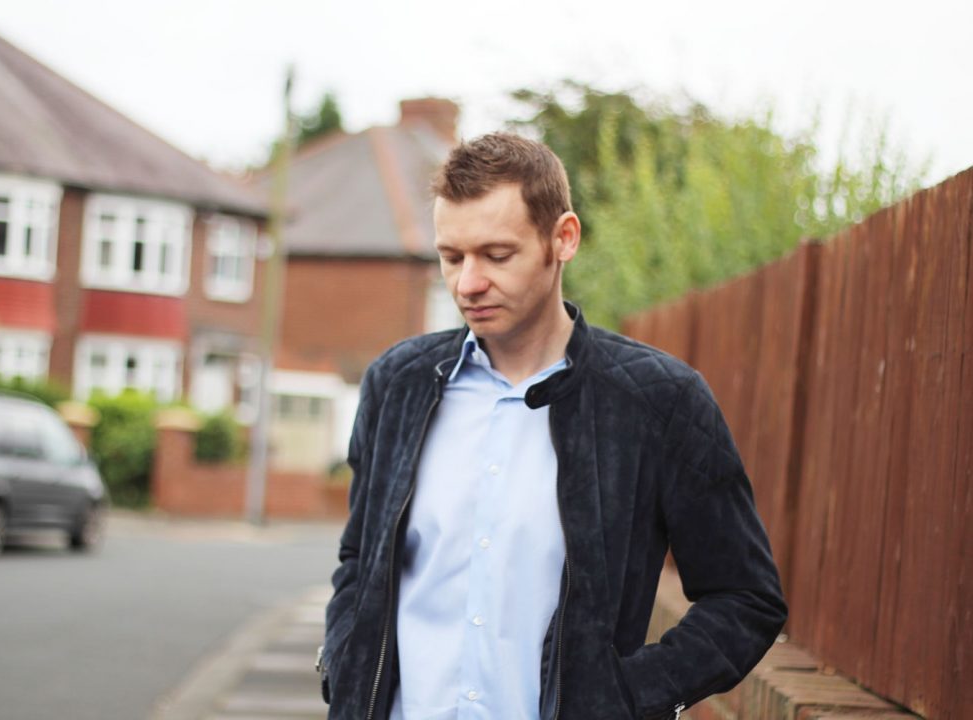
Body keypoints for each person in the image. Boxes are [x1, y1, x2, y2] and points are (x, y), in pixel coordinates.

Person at [318, 133, 787, 720]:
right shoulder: (398, 383)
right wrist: (344, 663)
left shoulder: (658, 401)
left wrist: (625, 698)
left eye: (497, 254)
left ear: (562, 239)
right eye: (452, 256)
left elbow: (745, 599)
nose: (468, 283)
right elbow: (361, 557)